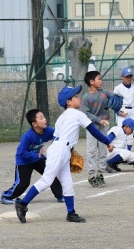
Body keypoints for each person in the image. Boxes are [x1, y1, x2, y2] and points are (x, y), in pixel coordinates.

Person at [14, 85, 114, 224]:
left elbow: (56, 137)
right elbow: (93, 130)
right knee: (47, 180)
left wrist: (69, 152)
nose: (79, 98)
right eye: (76, 96)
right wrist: (107, 142)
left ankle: (71, 213)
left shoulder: (61, 118)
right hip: (60, 150)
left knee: (67, 182)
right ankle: (22, 204)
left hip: (62, 150)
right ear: (69, 102)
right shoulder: (78, 114)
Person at [0, 109, 64, 205]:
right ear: (34, 124)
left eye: (44, 117)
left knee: (51, 173)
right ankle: (6, 196)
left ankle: (60, 195)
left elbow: (58, 137)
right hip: (24, 161)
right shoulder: (28, 136)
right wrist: (35, 155)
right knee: (23, 183)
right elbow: (21, 152)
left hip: (38, 158)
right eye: (41, 118)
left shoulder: (49, 131)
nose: (44, 119)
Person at [82, 70, 113, 188]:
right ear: (91, 82)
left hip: (104, 125)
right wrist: (99, 120)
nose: (101, 81)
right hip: (91, 126)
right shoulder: (86, 97)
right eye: (99, 79)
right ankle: (91, 175)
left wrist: (118, 101)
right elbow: (86, 113)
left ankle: (100, 173)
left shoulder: (104, 92)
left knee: (103, 149)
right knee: (91, 151)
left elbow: (115, 95)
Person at [113, 66, 134, 154]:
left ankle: (128, 153)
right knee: (121, 132)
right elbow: (114, 102)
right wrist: (117, 112)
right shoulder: (118, 88)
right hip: (122, 110)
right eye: (127, 76)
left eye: (130, 76)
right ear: (122, 77)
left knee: (131, 133)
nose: (129, 78)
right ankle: (120, 152)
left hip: (132, 110)